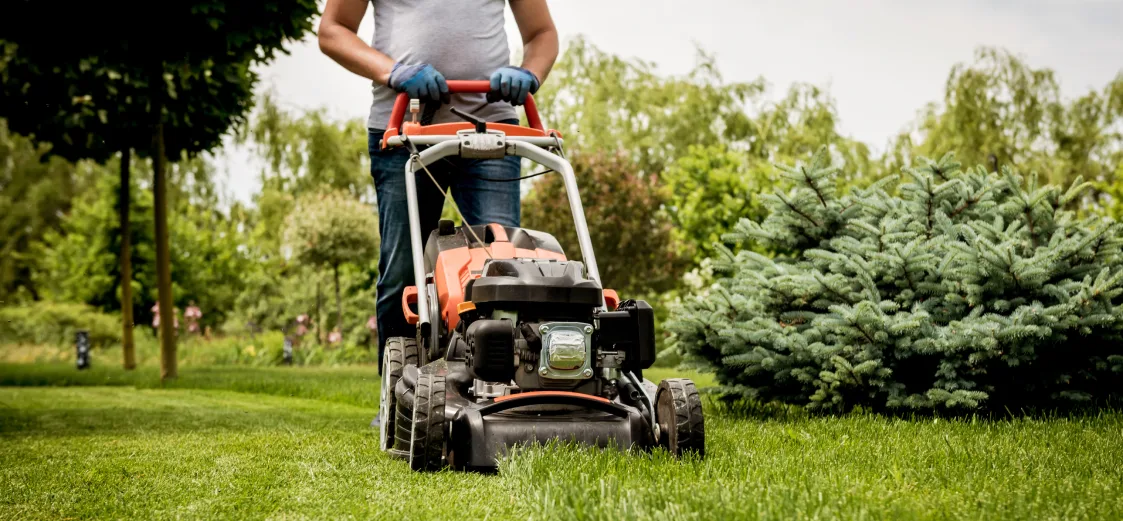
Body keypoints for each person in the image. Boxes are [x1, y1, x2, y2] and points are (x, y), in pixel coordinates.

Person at [318, 0, 559, 368]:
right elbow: (332, 30)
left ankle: (502, 386)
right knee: (403, 273)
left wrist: (530, 73)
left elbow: (542, 33)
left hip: (493, 130)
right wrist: (393, 71)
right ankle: (399, 391)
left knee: (506, 266)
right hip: (404, 131)